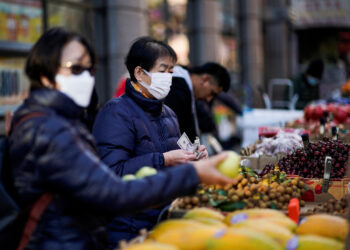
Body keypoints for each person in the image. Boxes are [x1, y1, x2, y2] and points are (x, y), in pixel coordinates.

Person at [7, 27, 233, 250]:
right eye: (75, 69)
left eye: (89, 69)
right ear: (46, 76)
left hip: (129, 226)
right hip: (95, 235)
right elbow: (112, 189)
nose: (85, 78)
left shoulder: (66, 122)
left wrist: (193, 157)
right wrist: (188, 172)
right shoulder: (53, 128)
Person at [92, 37, 208, 246]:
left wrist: (194, 155)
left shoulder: (169, 112)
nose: (168, 78)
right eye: (162, 71)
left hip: (162, 217)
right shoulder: (116, 112)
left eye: (171, 72)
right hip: (129, 226)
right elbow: (111, 171)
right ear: (139, 73)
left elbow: (178, 150)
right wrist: (162, 160)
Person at [164, 63, 231, 142]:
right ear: (205, 79)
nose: (208, 99)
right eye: (212, 93)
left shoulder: (185, 89)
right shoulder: (178, 91)